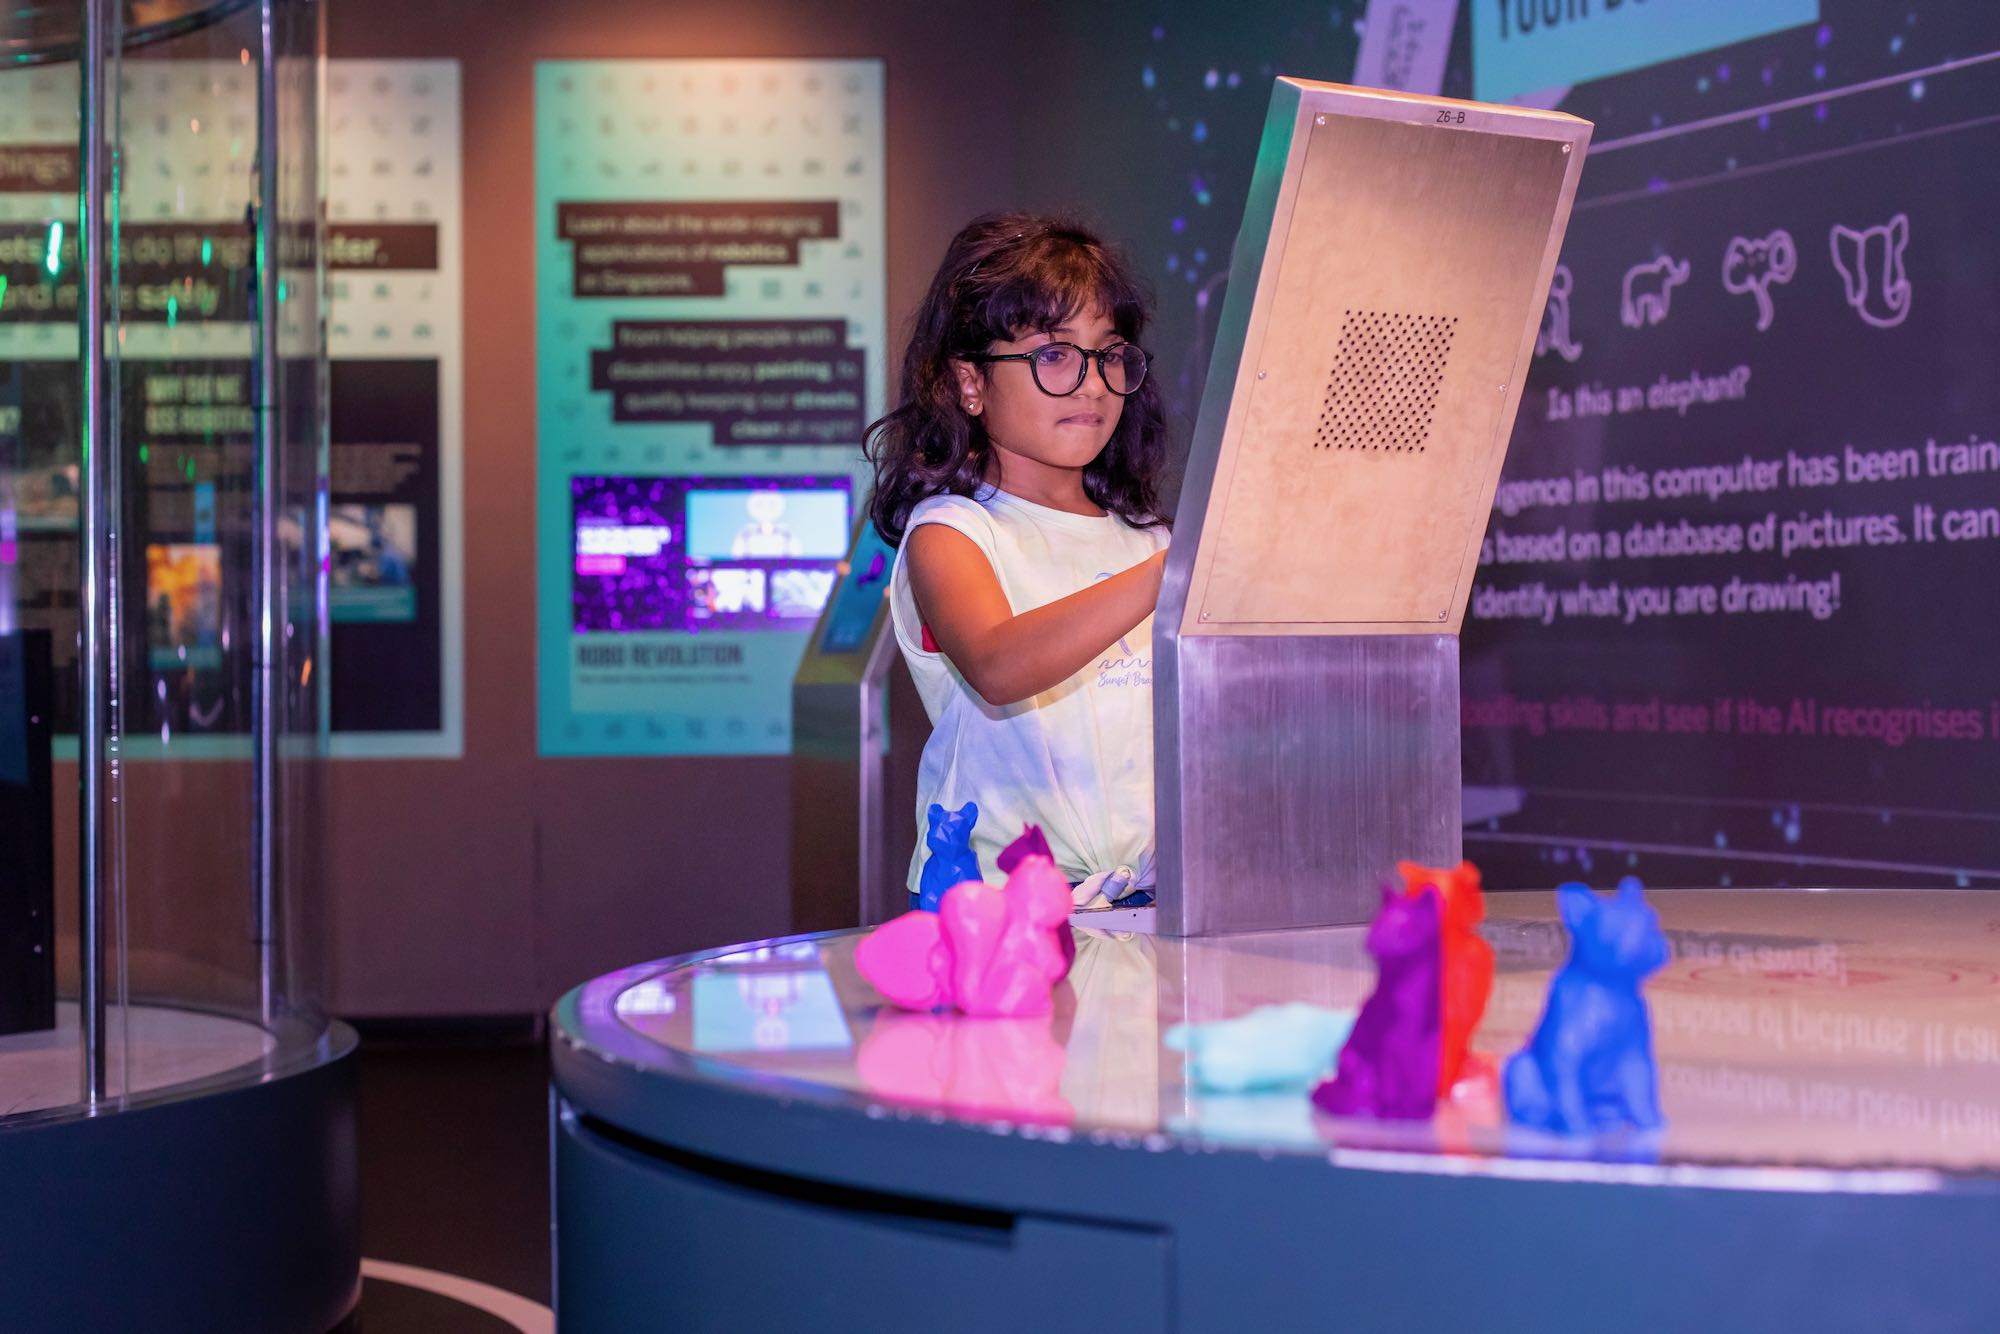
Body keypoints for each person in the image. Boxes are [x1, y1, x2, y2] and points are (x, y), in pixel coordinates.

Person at [865, 213, 1170, 909]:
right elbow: (999, 666)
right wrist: (1174, 573)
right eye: (1055, 355)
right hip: (992, 908)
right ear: (970, 383)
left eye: (1110, 354)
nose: (1092, 384)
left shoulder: (1149, 540)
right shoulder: (953, 532)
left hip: (1148, 906)